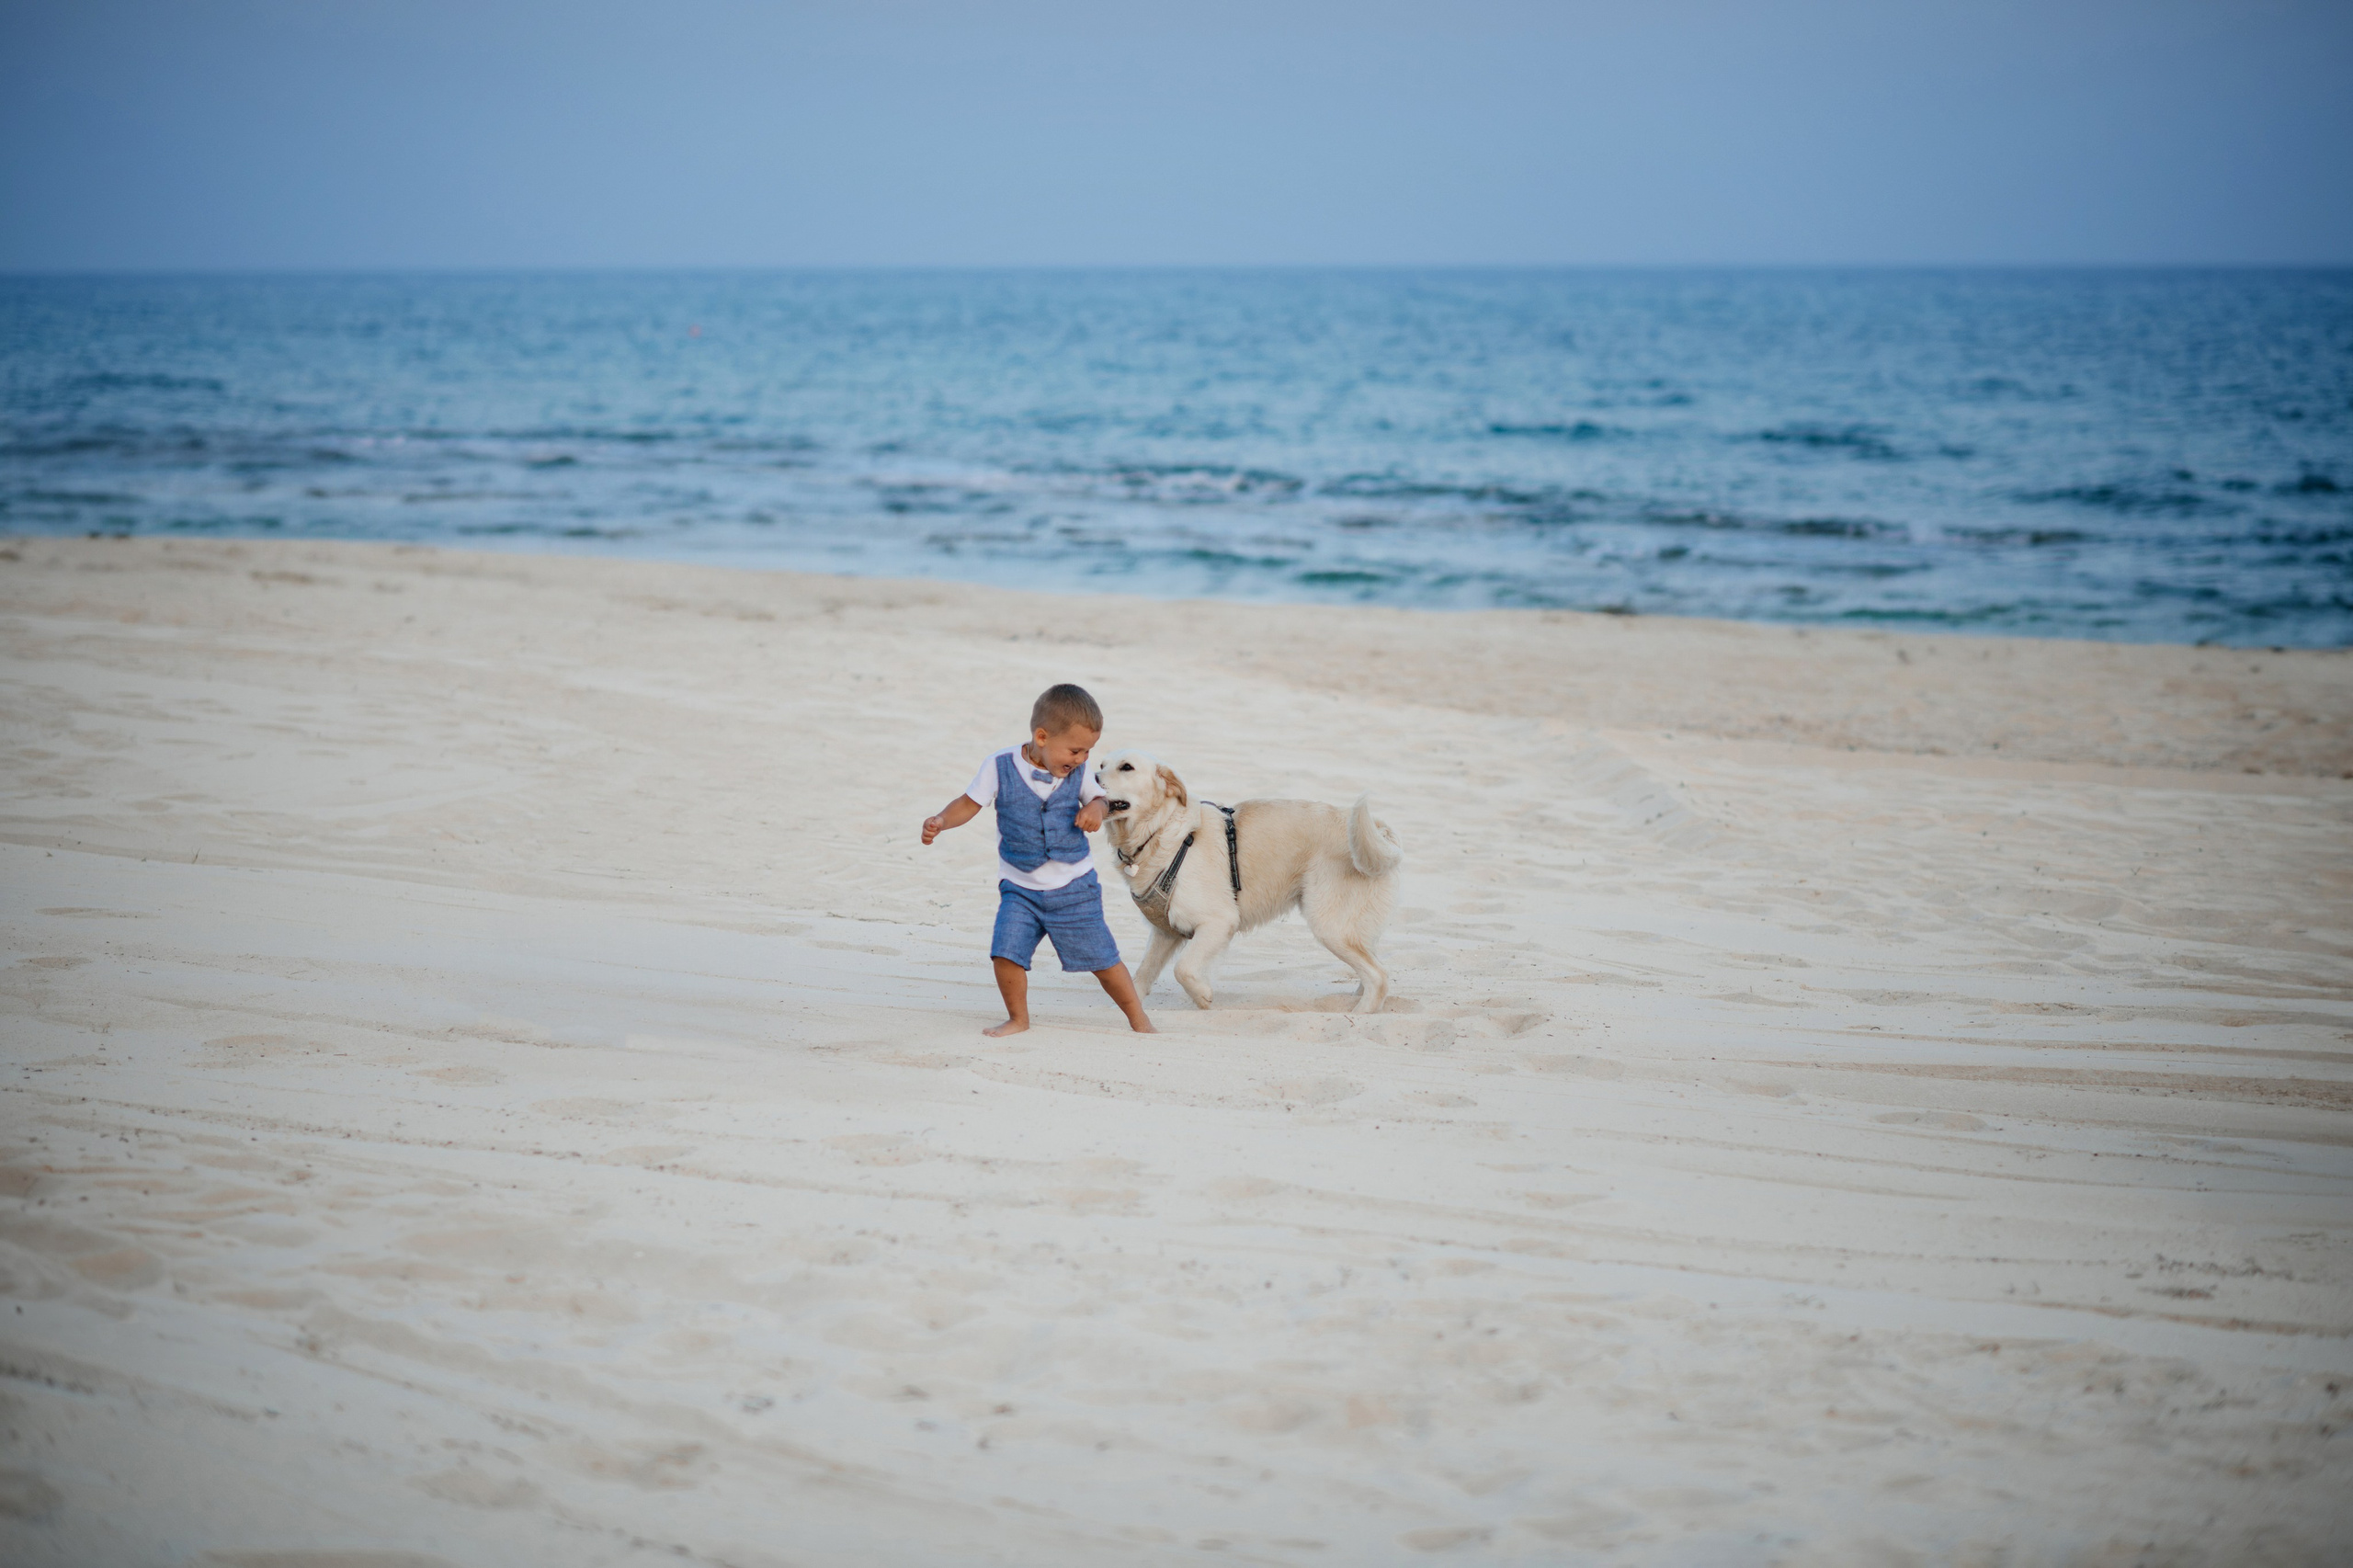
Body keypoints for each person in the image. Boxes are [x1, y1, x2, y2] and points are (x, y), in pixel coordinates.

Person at [921, 683, 1155, 1037]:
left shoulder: (1078, 771)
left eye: (1087, 751)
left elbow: (1100, 799)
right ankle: (1018, 1019)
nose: (1081, 759)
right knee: (1006, 954)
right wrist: (941, 820)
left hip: (1074, 888)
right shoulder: (999, 765)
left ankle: (1139, 1020)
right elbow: (969, 803)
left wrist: (1095, 808)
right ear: (1042, 737)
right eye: (1075, 750)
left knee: (1104, 960)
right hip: (1020, 887)